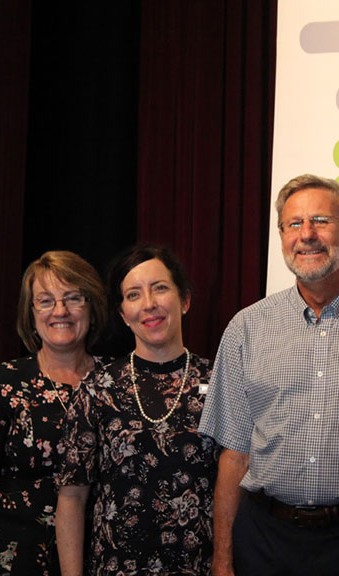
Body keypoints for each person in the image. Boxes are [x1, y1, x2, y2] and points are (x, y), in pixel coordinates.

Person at [198, 174, 339, 576]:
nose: (307, 235)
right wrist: (223, 559)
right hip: (265, 540)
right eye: (294, 224)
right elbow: (234, 455)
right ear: (281, 235)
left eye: (321, 220)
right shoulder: (246, 328)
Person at [56, 245, 215, 576]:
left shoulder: (219, 383)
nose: (149, 304)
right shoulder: (98, 389)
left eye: (160, 288)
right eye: (133, 294)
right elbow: (71, 500)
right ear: (123, 313)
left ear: (184, 300)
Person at [0, 251, 108, 576]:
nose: (60, 311)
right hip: (11, 562)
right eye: (46, 301)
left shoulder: (116, 383)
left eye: (73, 298)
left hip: (97, 562)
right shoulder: (1, 382)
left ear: (92, 308)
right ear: (31, 312)